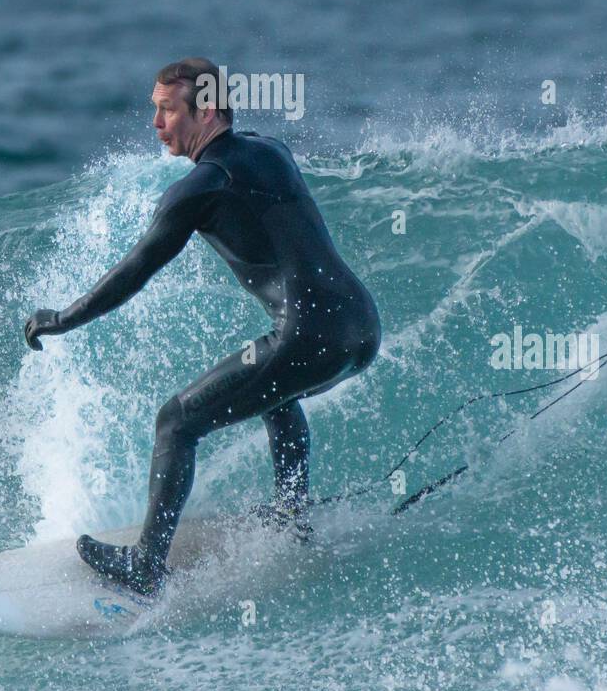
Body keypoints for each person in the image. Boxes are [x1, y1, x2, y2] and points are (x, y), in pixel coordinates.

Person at [24, 58, 381, 596]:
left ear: (206, 109)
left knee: (176, 422)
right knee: (275, 392)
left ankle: (147, 565)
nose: (156, 124)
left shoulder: (202, 186)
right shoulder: (270, 151)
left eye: (167, 110)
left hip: (308, 333)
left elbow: (134, 271)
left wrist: (61, 319)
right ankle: (292, 513)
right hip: (360, 327)